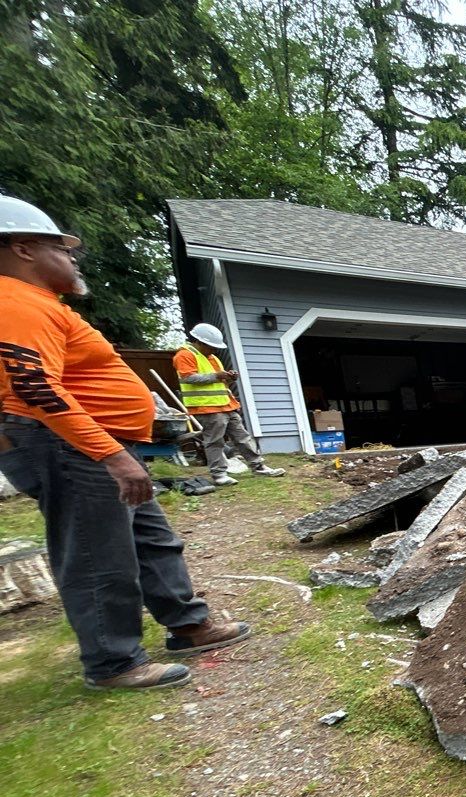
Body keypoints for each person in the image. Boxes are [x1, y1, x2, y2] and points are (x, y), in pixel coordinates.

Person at [0, 194, 249, 689]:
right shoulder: (15, 303)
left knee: (151, 538)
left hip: (99, 444)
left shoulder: (41, 305)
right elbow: (34, 387)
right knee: (97, 552)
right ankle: (113, 662)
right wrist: (110, 453)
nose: (72, 258)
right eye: (62, 248)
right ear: (23, 249)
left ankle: (188, 624)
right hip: (72, 448)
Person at [172, 323, 284, 486]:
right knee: (215, 441)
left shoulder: (212, 357)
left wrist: (229, 377)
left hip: (226, 405)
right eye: (211, 346)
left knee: (242, 437)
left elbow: (218, 381)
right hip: (207, 407)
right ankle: (219, 474)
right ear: (200, 342)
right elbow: (189, 378)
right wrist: (217, 376)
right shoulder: (184, 355)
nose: (214, 350)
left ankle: (258, 466)